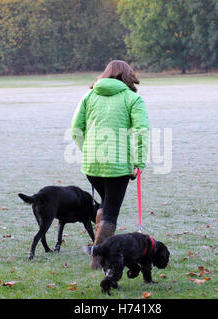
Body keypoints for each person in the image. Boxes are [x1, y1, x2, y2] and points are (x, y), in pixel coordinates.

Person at [71, 60, 149, 269]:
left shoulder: (88, 95)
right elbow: (142, 131)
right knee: (111, 211)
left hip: (92, 164)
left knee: (106, 205)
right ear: (128, 76)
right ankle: (99, 260)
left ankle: (100, 251)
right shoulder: (133, 98)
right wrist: (139, 162)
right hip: (117, 166)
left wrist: (87, 151)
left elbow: (75, 129)